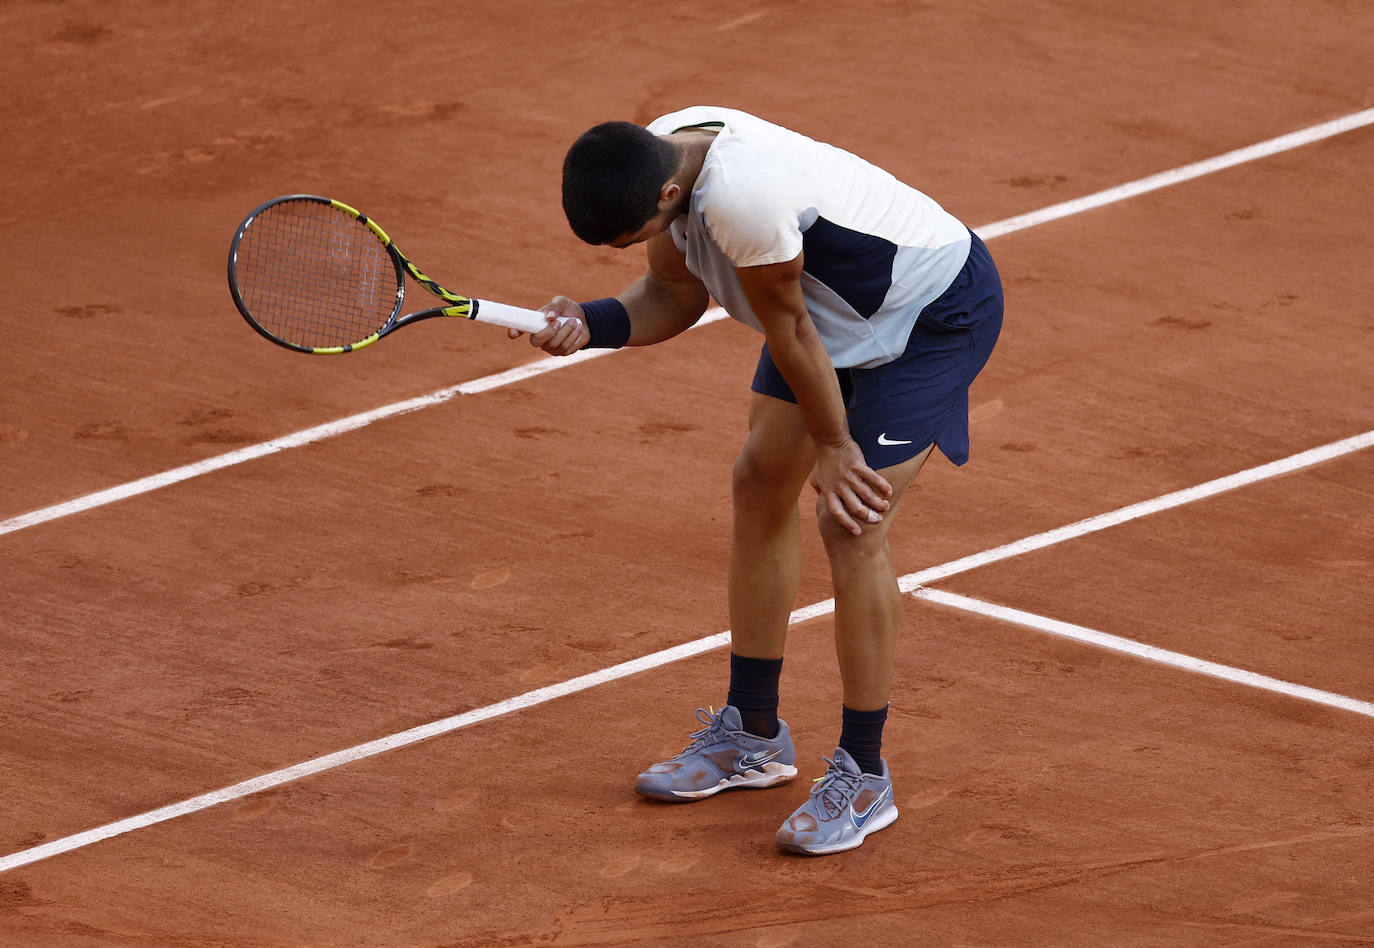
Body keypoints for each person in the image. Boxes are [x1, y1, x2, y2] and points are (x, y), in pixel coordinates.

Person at [512, 106, 1003, 855]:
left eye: (635, 238)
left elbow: (794, 329)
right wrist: (590, 320)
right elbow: (673, 299)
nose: (639, 248)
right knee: (759, 481)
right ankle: (752, 734)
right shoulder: (665, 152)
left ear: (668, 200)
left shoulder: (745, 200)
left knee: (851, 521)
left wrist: (837, 445)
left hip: (924, 318)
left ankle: (865, 775)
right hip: (821, 316)